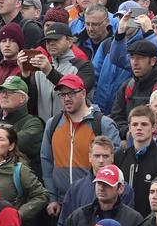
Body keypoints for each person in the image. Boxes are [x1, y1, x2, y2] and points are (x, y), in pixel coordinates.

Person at [41, 74, 122, 218]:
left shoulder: (103, 124)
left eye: (71, 93)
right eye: (62, 94)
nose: (66, 98)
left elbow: (116, 163)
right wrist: (52, 198)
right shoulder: (52, 124)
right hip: (62, 204)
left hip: (95, 202)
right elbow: (46, 161)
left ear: (83, 93)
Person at [0, 121, 48, 224]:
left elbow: (41, 195)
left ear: (11, 146)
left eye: (0, 139)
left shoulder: (19, 169)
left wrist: (18, 215)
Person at [0, 76, 44, 171]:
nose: (4, 95)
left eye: (10, 92)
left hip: (18, 178)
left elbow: (16, 143)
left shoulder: (33, 123)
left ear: (22, 98)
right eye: (2, 92)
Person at [58, 137, 134, 224]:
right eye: (97, 156)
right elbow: (64, 222)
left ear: (112, 158)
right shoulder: (75, 188)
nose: (101, 161)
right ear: (90, 157)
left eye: (105, 156)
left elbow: (127, 223)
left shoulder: (124, 189)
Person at [62, 163, 142, 226]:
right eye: (99, 183)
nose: (101, 188)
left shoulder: (134, 220)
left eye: (107, 184)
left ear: (121, 188)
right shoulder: (78, 217)